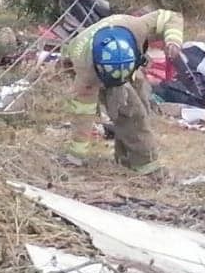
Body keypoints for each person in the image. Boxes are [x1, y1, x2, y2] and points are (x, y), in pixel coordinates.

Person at [61, 9, 186, 174]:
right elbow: (82, 114)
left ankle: (125, 158)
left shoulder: (136, 28)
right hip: (86, 61)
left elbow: (171, 16)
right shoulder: (86, 74)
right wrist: (77, 155)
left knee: (142, 103)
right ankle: (147, 167)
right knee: (131, 114)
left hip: (126, 65)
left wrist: (173, 41)